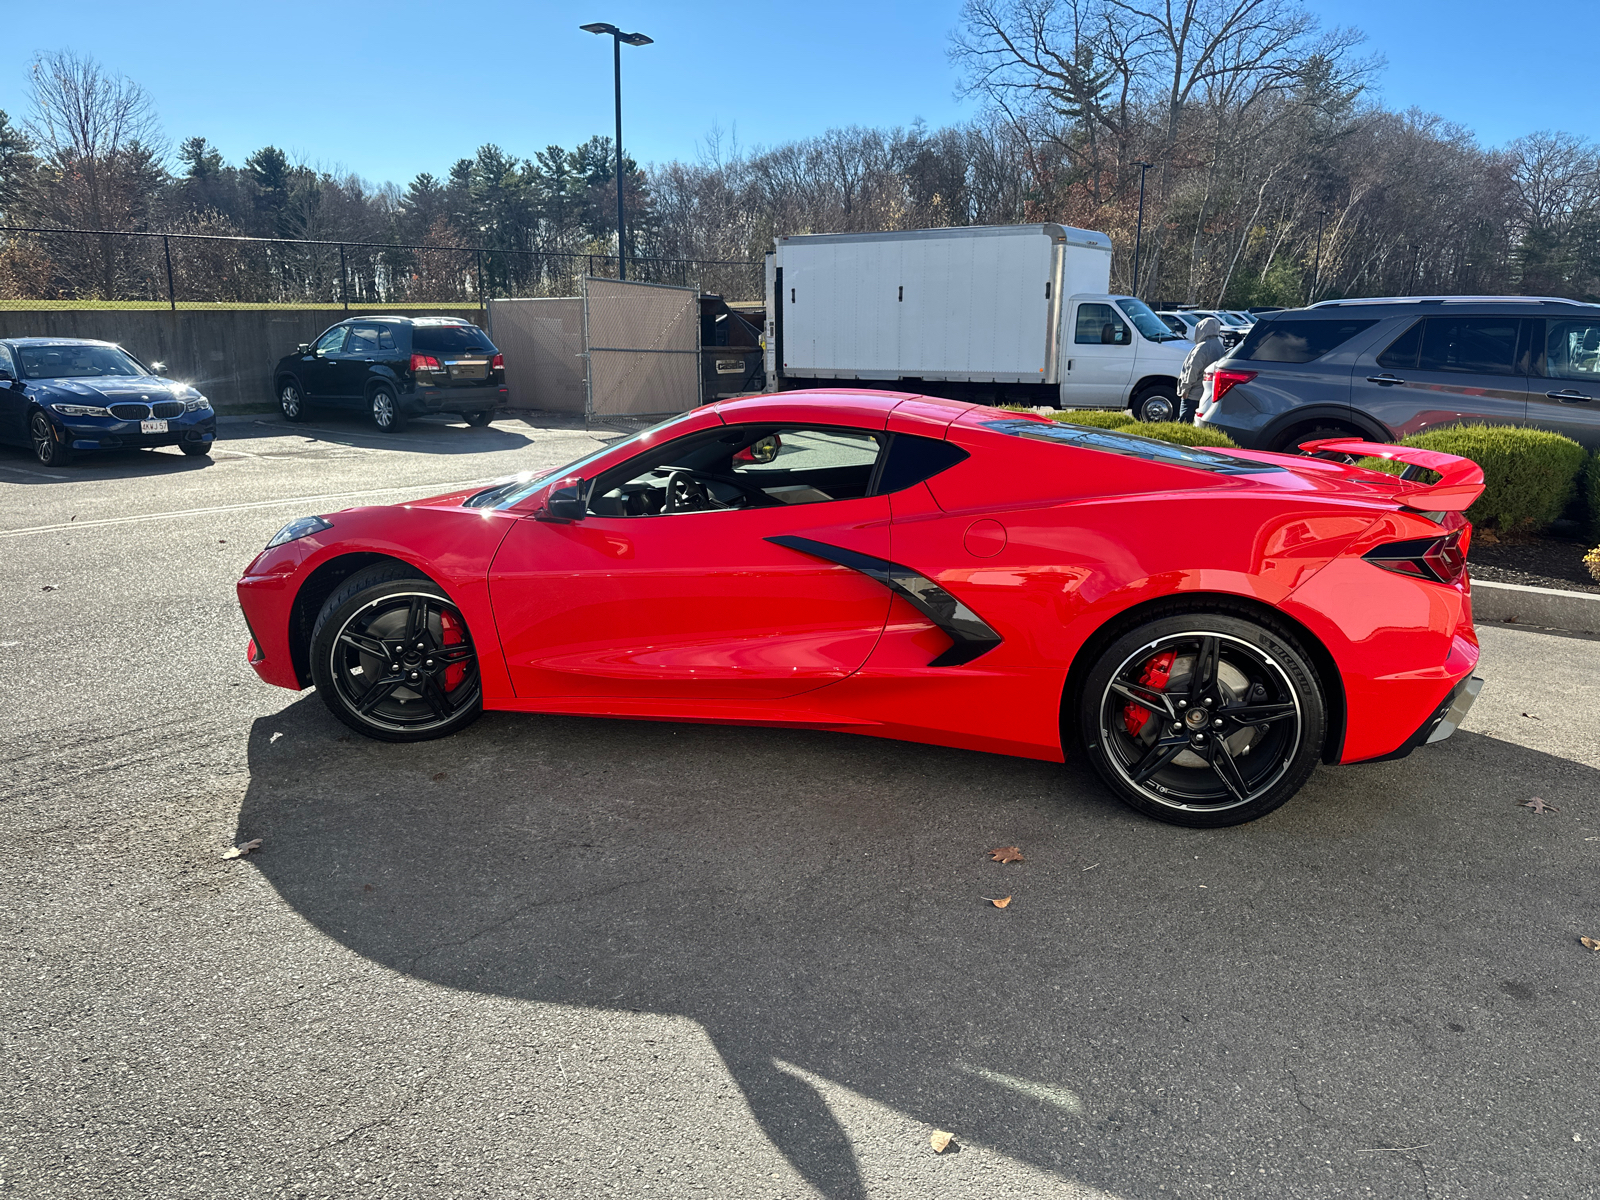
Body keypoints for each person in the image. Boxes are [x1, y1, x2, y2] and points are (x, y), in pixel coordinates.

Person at [1177, 316, 1226, 423]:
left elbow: (1192, 369)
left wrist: (1185, 388)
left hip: (1193, 394)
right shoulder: (1219, 346)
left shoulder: (1202, 347)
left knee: (1184, 423)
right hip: (1207, 394)